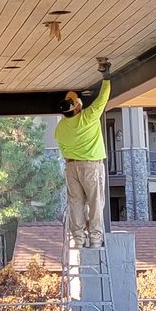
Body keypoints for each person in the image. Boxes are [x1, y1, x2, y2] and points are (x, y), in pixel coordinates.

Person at [55, 69, 112, 248]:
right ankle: (95, 239)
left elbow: (63, 150)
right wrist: (106, 78)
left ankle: (78, 239)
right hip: (91, 167)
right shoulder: (87, 118)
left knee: (76, 203)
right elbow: (102, 99)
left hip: (71, 168)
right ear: (77, 107)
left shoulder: (60, 128)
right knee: (95, 203)